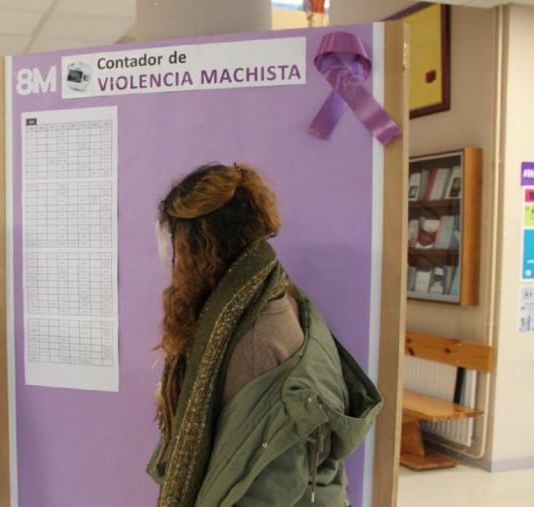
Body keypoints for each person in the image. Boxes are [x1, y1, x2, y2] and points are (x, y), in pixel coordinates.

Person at [147, 163, 382, 507]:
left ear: (198, 250)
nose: (168, 256)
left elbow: (256, 488)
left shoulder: (253, 345)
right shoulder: (274, 292)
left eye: (174, 244)